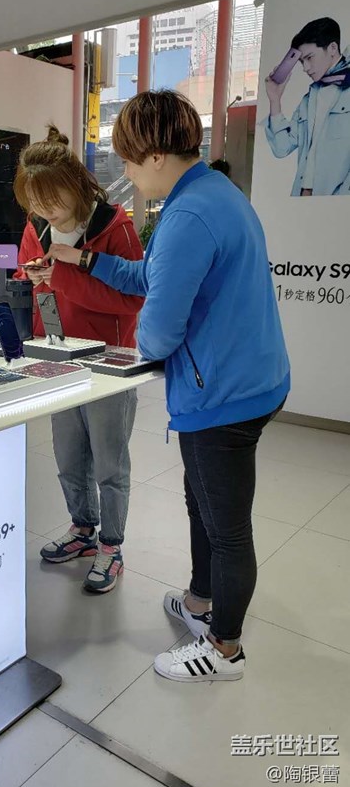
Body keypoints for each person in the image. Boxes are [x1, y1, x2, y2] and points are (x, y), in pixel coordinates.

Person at [47, 91, 290, 680]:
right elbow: (148, 275)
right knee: (202, 499)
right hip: (246, 378)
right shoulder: (211, 194)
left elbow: (156, 334)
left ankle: (224, 648)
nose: (127, 174)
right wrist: (83, 260)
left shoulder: (186, 217)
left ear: (156, 155)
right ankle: (201, 603)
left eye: (130, 161)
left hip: (223, 394)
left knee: (226, 525)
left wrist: (134, 343)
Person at [13, 125, 144, 593]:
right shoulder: (37, 226)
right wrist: (30, 278)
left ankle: (112, 545)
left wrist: (61, 278)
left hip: (109, 362)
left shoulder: (115, 226)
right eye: (34, 202)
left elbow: (132, 300)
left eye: (51, 200)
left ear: (76, 185)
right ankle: (83, 530)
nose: (43, 210)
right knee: (68, 456)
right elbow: (28, 279)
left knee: (109, 462)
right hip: (57, 357)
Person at [264, 17, 350, 196]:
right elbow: (281, 148)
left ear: (333, 48)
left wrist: (340, 199)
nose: (305, 68)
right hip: (302, 197)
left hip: (337, 203)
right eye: (302, 61)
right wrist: (275, 100)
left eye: (309, 58)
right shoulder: (308, 100)